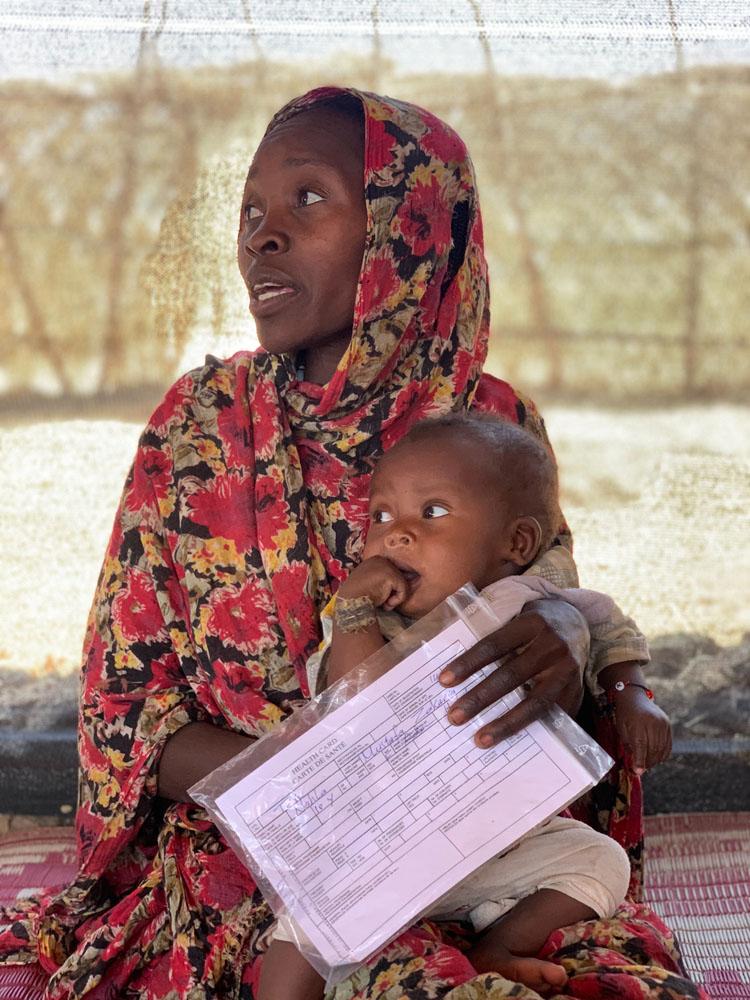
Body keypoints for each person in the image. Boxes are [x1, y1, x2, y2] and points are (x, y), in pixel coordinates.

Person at [0, 87, 699, 1000]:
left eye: (309, 198)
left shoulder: (492, 420)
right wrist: (330, 779)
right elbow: (125, 721)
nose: (262, 235)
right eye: (250, 210)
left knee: (611, 977)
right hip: (267, 844)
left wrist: (565, 641)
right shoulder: (200, 432)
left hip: (483, 834)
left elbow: (548, 596)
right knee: (388, 973)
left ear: (412, 231)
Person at [259, 413, 666, 1000]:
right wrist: (350, 609)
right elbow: (352, 703)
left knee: (599, 860)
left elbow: (608, 627)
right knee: (308, 920)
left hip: (503, 836)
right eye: (381, 516)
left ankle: (501, 944)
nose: (396, 534)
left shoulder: (532, 598)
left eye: (433, 513)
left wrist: (634, 697)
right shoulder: (371, 622)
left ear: (516, 544)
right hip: (388, 839)